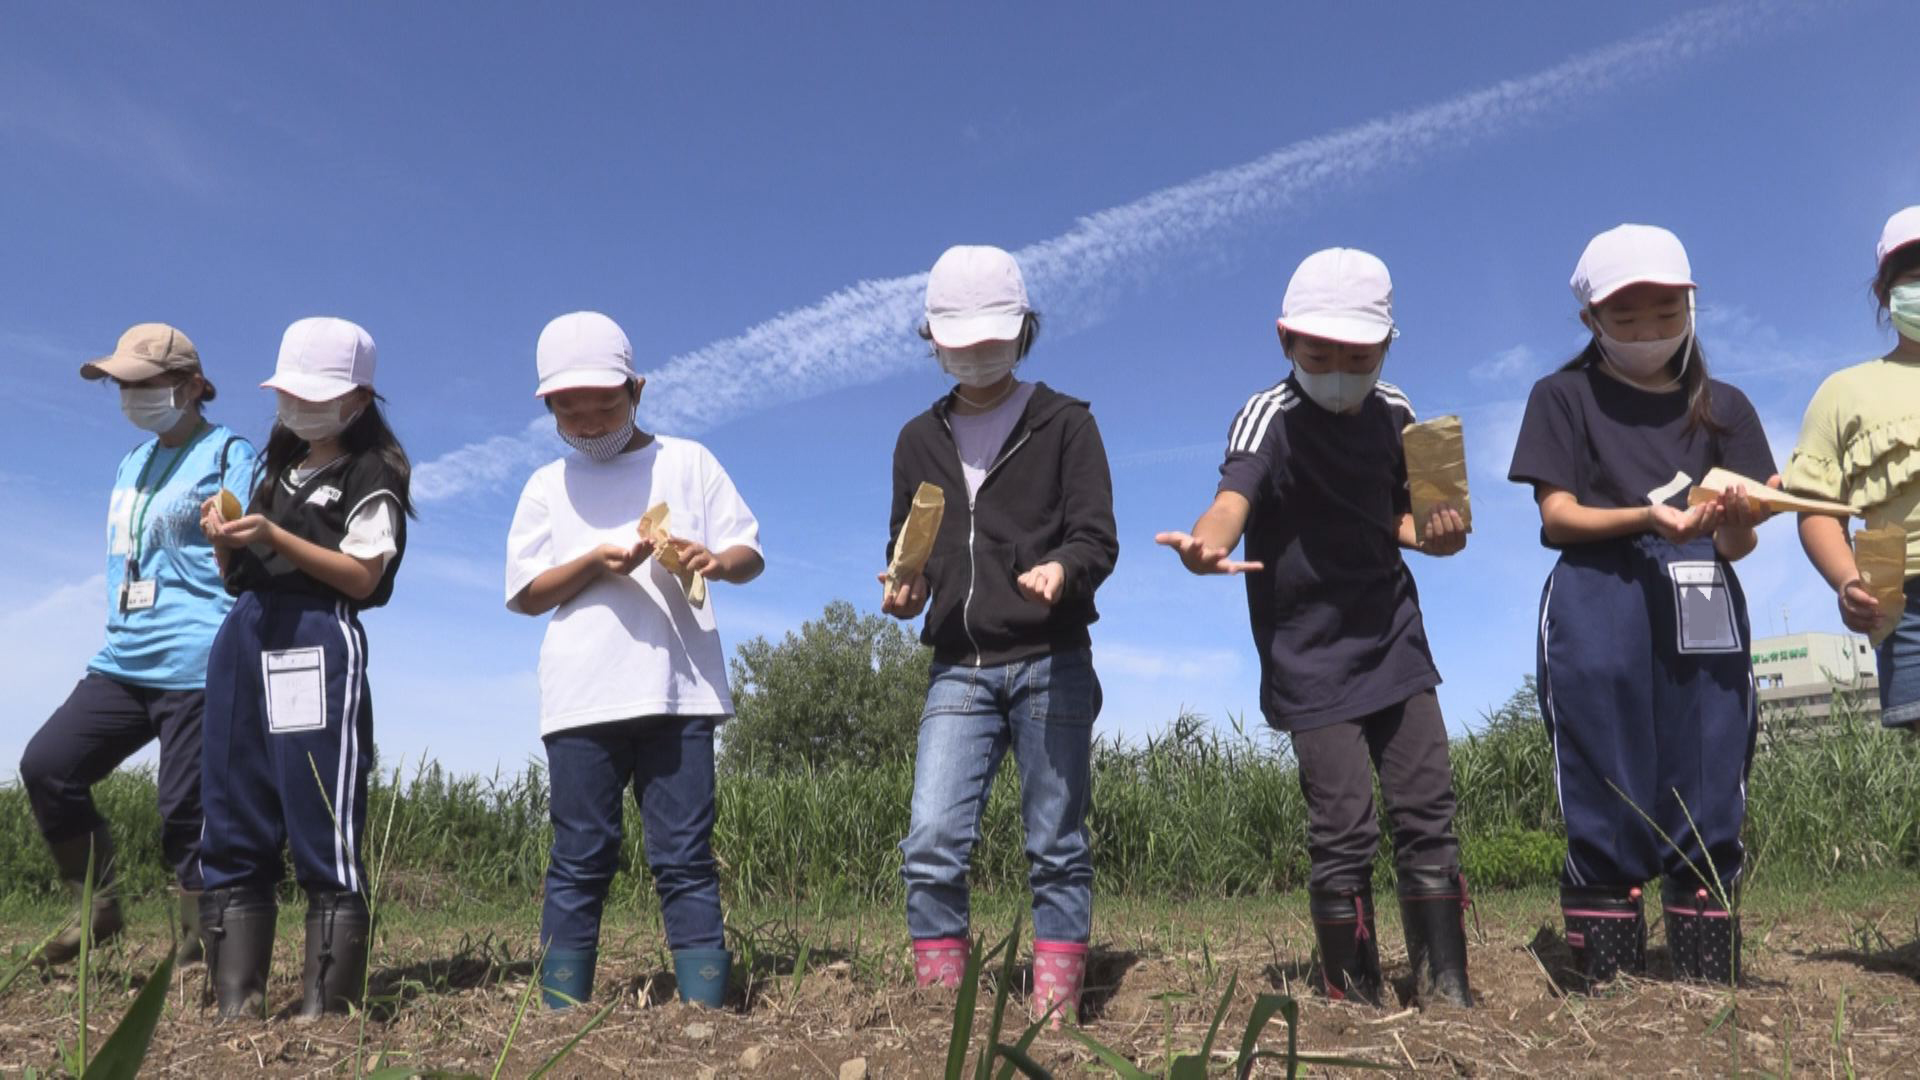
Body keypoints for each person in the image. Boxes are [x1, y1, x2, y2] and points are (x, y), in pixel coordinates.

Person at [1157, 247, 1472, 1008]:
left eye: (1358, 354)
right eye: (1319, 351)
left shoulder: (1398, 412)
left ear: (1387, 347)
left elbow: (1406, 516)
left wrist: (1436, 534)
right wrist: (1209, 545)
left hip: (1393, 636)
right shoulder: (1270, 417)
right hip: (1309, 656)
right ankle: (1350, 992)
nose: (1339, 367)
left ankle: (1445, 984)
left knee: (1427, 804)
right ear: (1285, 340)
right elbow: (1233, 498)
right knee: (1343, 823)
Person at [1508, 224, 1776, 987]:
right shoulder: (1563, 397)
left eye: (1665, 313)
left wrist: (1732, 526)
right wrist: (1648, 518)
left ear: (1691, 308)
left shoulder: (1724, 406)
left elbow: (1740, 549)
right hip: (1599, 586)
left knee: (1710, 751)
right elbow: (1556, 517)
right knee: (1605, 758)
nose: (1648, 331)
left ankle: (1702, 958)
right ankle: (1607, 972)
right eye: (1626, 318)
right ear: (1592, 319)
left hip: (1703, 587)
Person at [883, 245, 1117, 1025]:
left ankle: (1056, 1010)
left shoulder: (1066, 423)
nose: (978, 354)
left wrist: (1062, 569)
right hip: (959, 664)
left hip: (1052, 658)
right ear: (932, 338)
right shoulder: (917, 439)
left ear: (1023, 332)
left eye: (994, 338)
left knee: (1055, 841)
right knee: (931, 839)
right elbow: (905, 550)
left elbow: (1096, 537)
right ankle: (939, 1014)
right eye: (960, 341)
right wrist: (906, 587)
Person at [505, 311, 763, 1010]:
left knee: (683, 854)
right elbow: (527, 595)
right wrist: (594, 561)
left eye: (604, 408)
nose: (588, 425)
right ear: (548, 407)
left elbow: (748, 550)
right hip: (582, 698)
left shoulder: (687, 462)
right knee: (581, 854)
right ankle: (563, 1009)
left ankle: (705, 1005)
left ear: (637, 391)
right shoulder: (545, 488)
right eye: (570, 412)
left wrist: (718, 560)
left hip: (679, 695)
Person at [197, 317, 413, 1019]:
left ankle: (326, 1006)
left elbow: (362, 577)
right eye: (290, 392)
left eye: (317, 394)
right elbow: (243, 573)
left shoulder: (369, 472)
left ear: (359, 399)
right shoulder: (276, 471)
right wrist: (229, 542)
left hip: (316, 639)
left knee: (318, 808)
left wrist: (275, 534)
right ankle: (238, 1001)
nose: (300, 406)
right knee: (232, 801)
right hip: (247, 633)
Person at [20, 324, 254, 968]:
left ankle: (197, 948)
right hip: (123, 658)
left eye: (141, 383)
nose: (128, 395)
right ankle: (97, 909)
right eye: (122, 385)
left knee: (184, 810)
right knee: (48, 766)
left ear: (190, 386)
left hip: (199, 660)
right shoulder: (133, 461)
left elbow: (252, 544)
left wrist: (229, 533)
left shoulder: (231, 452)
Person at [1783, 206, 1920, 732]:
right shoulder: (1843, 391)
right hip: (1909, 607)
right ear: (1886, 294)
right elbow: (1816, 510)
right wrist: (1847, 582)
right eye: (1913, 277)